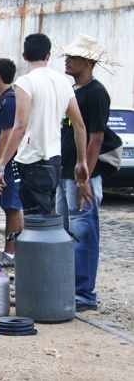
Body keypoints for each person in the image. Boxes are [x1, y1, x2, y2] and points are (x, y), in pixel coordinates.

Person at [0, 33, 90, 215]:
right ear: (48, 56)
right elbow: (79, 124)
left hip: (32, 160)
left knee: (36, 222)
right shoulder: (63, 82)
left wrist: (0, 166)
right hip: (54, 160)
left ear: (24, 56)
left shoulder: (25, 82)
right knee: (49, 218)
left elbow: (20, 126)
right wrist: (81, 160)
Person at [58, 35, 117, 312]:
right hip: (65, 172)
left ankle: (83, 293)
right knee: (65, 232)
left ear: (89, 61)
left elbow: (96, 139)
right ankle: (69, 288)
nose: (67, 60)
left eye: (74, 56)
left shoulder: (95, 92)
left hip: (82, 176)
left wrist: (84, 179)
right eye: (67, 56)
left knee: (84, 233)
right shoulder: (73, 91)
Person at [0, 58, 23, 268]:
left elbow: (5, 135)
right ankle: (12, 246)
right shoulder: (7, 98)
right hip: (9, 160)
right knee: (9, 204)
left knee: (12, 205)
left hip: (11, 161)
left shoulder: (9, 100)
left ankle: (11, 252)